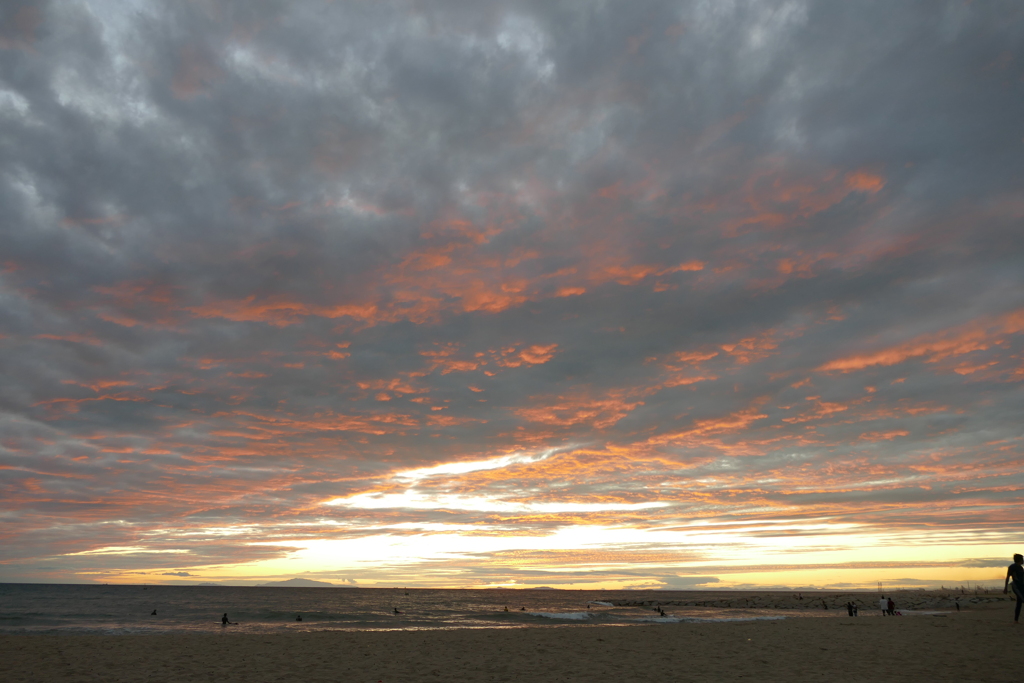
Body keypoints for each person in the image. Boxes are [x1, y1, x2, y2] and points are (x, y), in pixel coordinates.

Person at [1004, 553, 1024, 624]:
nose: (1023, 561)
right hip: (1016, 587)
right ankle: (1016, 620)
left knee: (1019, 603)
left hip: (1022, 587)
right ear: (1019, 560)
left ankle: (1016, 620)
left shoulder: (1021, 568)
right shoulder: (1012, 567)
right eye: (1022, 559)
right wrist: (1005, 588)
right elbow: (1007, 577)